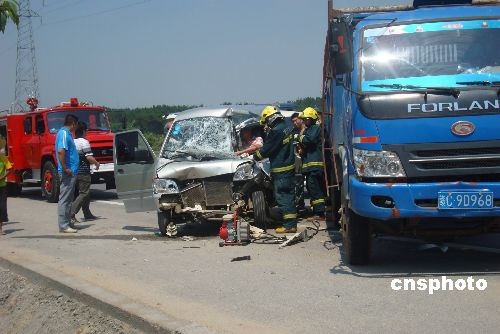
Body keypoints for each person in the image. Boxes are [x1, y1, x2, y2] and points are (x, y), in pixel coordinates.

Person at [253, 106, 297, 233]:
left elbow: (267, 150)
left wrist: (256, 156)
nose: (267, 125)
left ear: (270, 118)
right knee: (289, 195)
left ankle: (289, 226)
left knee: (283, 196)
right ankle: (291, 222)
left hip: (281, 168)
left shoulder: (276, 131)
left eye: (266, 121)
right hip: (289, 166)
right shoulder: (286, 127)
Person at [298, 107, 327, 219]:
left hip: (315, 164)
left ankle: (320, 213)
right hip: (309, 165)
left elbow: (309, 140)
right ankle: (317, 211)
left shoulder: (315, 128)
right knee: (311, 187)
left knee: (315, 187)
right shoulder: (309, 129)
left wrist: (300, 137)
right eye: (304, 119)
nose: (304, 121)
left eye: (306, 119)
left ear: (312, 119)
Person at [71, 122, 100, 224]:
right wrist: (96, 163)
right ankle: (71, 213)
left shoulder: (72, 141)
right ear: (83, 131)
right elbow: (89, 157)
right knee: (84, 193)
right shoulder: (84, 142)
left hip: (73, 172)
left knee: (86, 193)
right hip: (83, 171)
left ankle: (87, 213)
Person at [55, 114, 79, 233]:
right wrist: (65, 168)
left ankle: (68, 222)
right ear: (73, 123)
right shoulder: (64, 133)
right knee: (64, 199)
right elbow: (61, 151)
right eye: (76, 125)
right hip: (67, 172)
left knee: (69, 199)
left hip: (71, 172)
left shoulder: (68, 134)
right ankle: (63, 225)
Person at [291, 112, 306, 211]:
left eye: (295, 120)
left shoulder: (308, 131)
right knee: (298, 183)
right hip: (297, 161)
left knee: (311, 183)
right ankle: (300, 204)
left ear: (301, 119)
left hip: (308, 159)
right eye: (292, 122)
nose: (294, 123)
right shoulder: (293, 131)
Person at [0, 136, 12, 235]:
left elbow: (9, 169)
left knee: (2, 206)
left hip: (2, 186)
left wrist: (2, 177)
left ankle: (0, 228)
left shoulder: (3, 158)